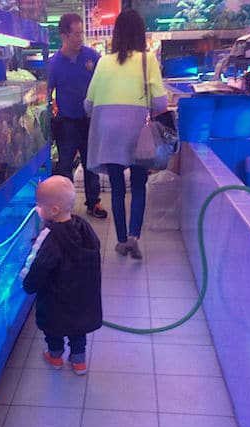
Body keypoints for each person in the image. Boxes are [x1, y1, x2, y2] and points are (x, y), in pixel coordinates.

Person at [84, 9, 167, 259]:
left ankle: (120, 241)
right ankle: (134, 237)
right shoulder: (147, 60)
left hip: (108, 133)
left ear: (116, 34)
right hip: (137, 134)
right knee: (139, 185)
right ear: (141, 34)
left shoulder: (103, 62)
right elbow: (161, 104)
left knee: (118, 188)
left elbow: (88, 105)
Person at [20, 175, 102, 375]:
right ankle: (79, 361)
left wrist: (27, 283)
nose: (37, 209)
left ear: (53, 210)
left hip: (55, 298)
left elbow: (38, 264)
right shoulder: (85, 229)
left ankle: (55, 356)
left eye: (39, 205)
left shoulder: (49, 236)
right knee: (78, 329)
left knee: (54, 329)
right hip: (82, 297)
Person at [47, 13, 108, 219]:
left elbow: (104, 83)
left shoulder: (91, 57)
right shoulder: (54, 64)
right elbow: (46, 93)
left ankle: (93, 203)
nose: (80, 37)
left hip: (90, 120)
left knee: (91, 163)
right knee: (64, 166)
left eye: (82, 33)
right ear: (64, 36)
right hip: (67, 123)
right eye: (76, 34)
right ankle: (66, 207)